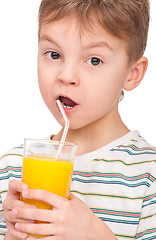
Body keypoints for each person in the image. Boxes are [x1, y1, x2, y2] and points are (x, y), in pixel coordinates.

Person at [0, 0, 156, 239]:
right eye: (54, 54)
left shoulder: (148, 178)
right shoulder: (11, 170)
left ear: (132, 74)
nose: (66, 75)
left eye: (94, 60)